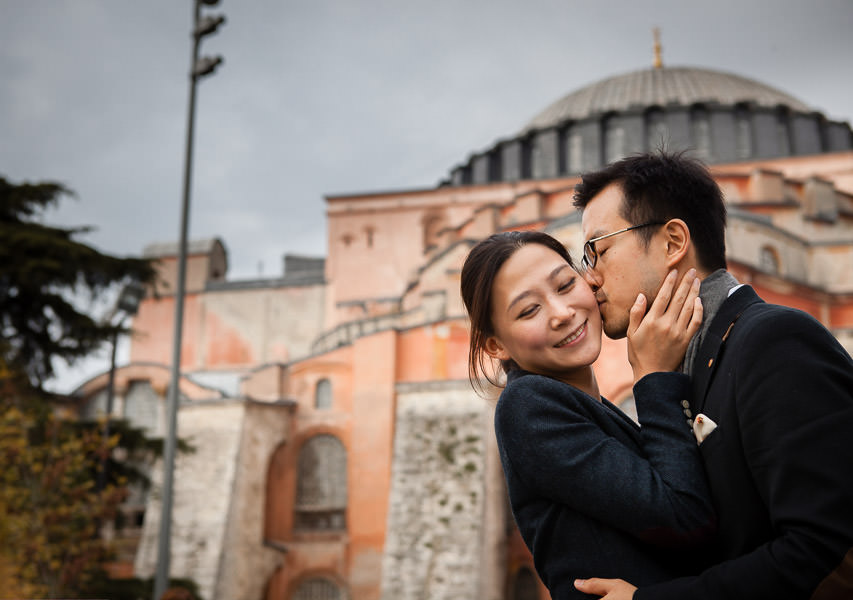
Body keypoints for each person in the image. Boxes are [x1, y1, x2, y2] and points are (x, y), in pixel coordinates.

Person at [571, 151, 853, 600]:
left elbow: (829, 551)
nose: (589, 279)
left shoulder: (773, 340)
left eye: (597, 251)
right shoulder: (686, 361)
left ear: (672, 242)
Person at [460, 230, 717, 599]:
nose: (562, 314)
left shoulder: (580, 404)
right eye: (529, 310)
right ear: (496, 344)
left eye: (565, 285)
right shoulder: (528, 405)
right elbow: (684, 517)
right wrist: (653, 376)